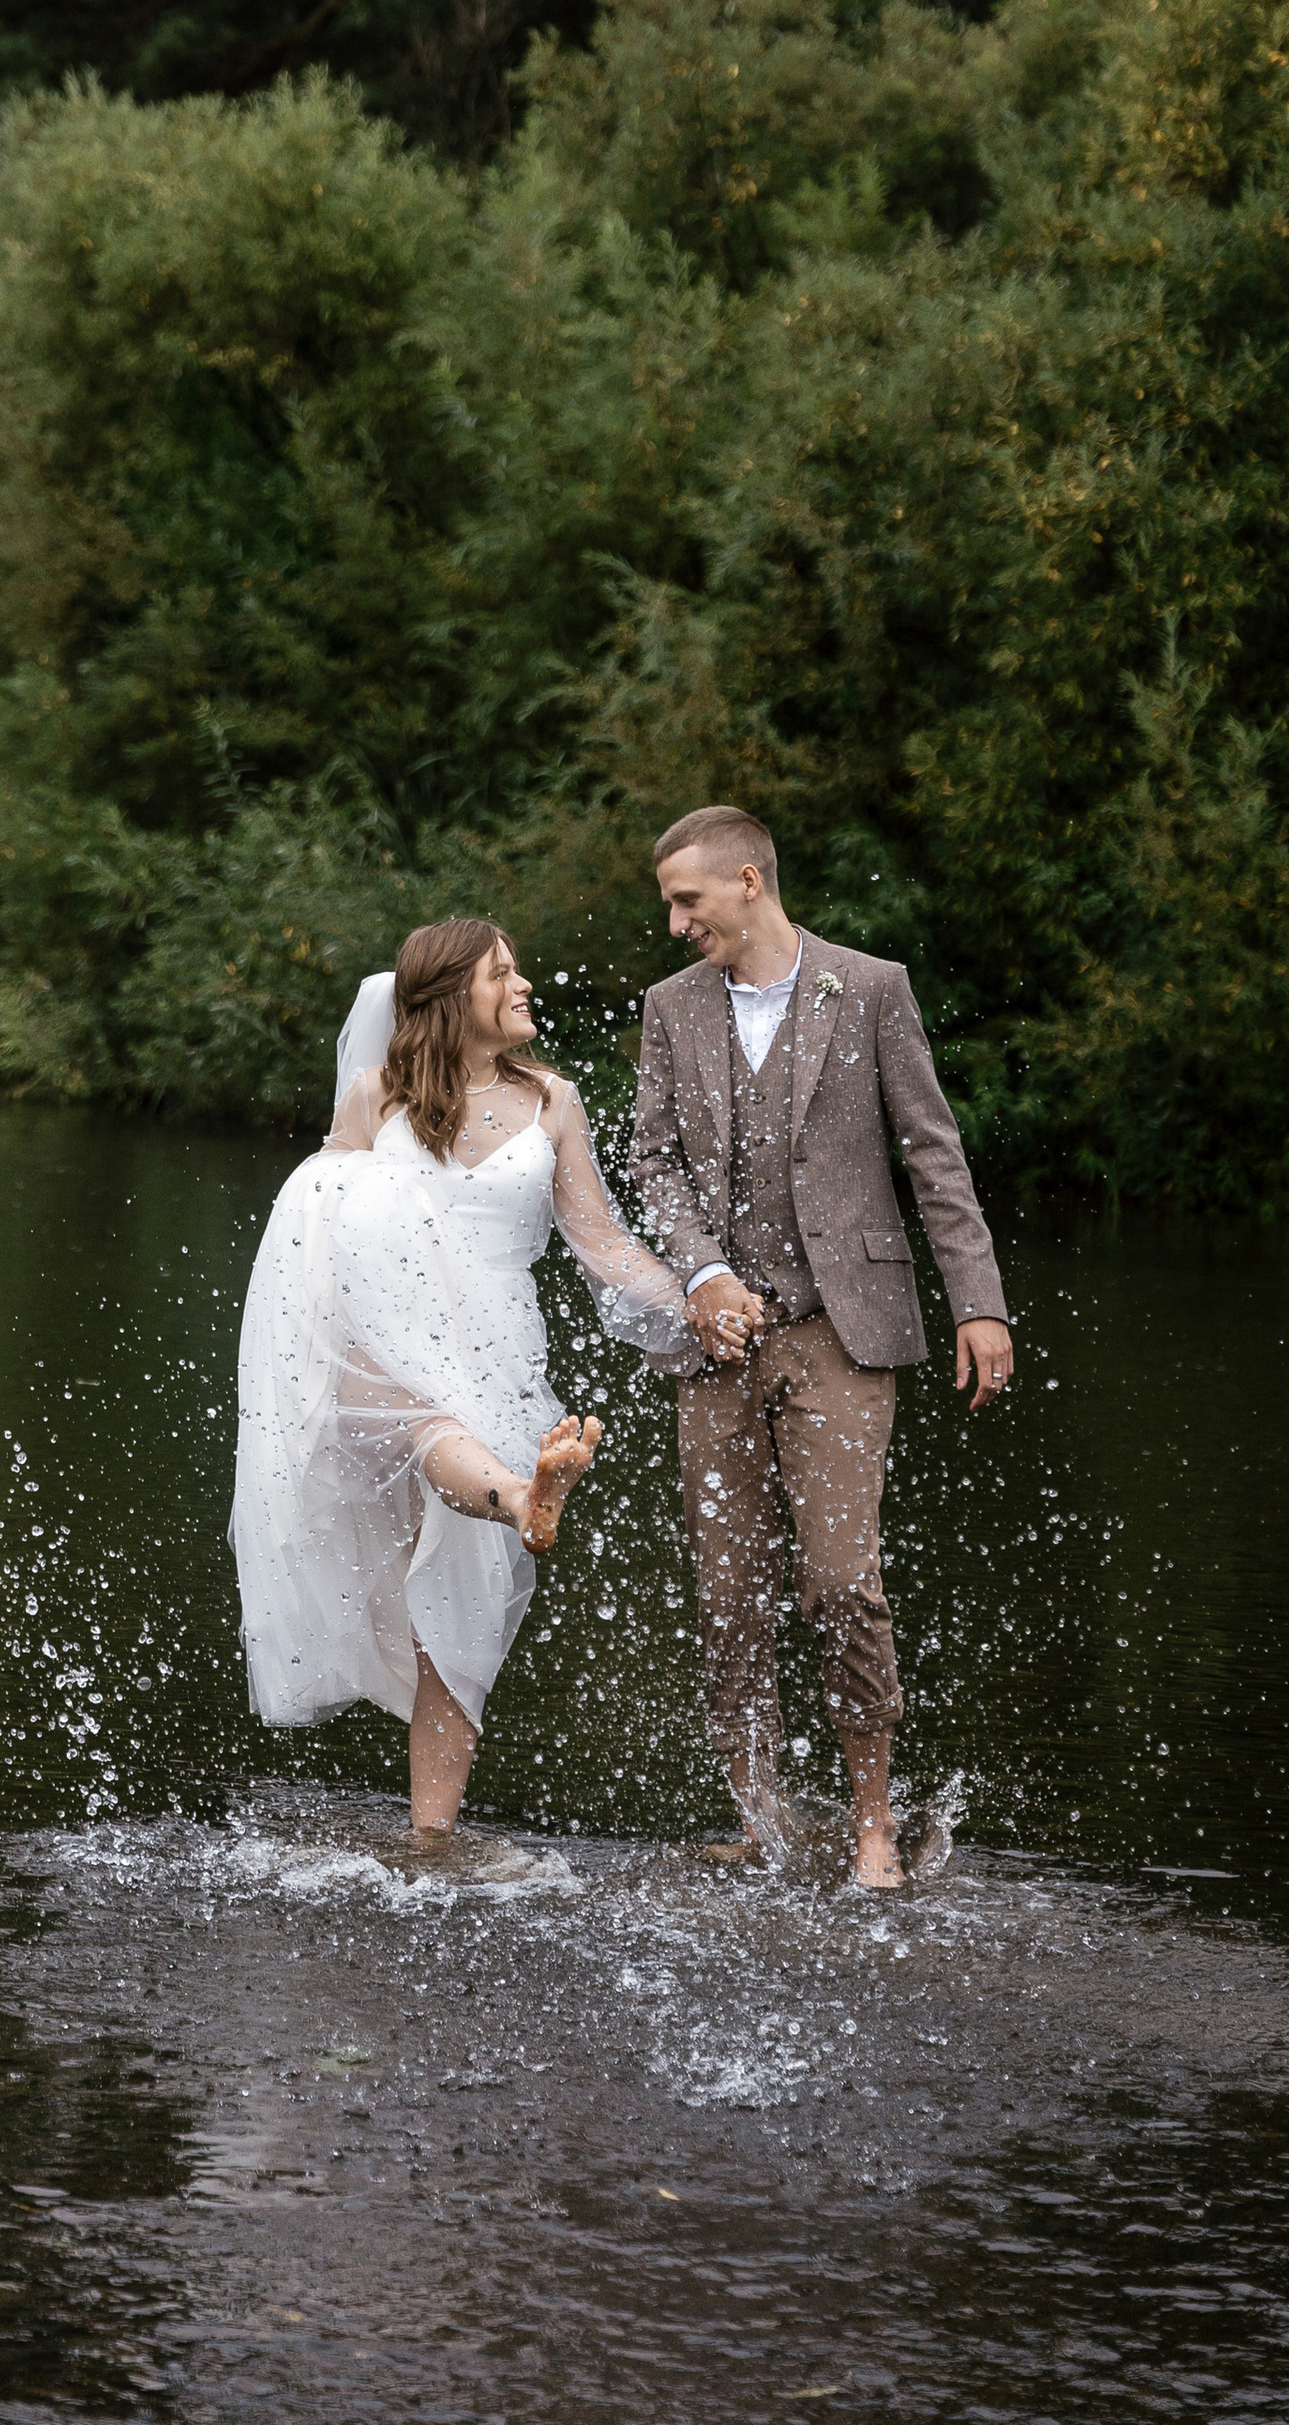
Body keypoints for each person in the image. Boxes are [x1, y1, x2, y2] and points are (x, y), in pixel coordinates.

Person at [232, 914, 690, 1838]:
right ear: (449, 999)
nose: (523, 986)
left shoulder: (554, 1101)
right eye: (501, 975)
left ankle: (429, 1836)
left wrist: (693, 1308)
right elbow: (318, 1236)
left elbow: (598, 1241)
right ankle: (519, 1497)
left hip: (498, 1351)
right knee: (422, 1421)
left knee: (458, 1602)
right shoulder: (374, 1100)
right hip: (379, 1357)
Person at [629, 804, 1014, 1890]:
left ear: (749, 882)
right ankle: (757, 1817)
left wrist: (977, 1301)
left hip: (844, 1334)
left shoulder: (871, 988)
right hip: (715, 1350)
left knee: (842, 1583)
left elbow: (932, 1156)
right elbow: (652, 1159)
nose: (672, 923)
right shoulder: (670, 1009)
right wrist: (700, 1274)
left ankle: (873, 1826)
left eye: (686, 900)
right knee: (727, 1593)